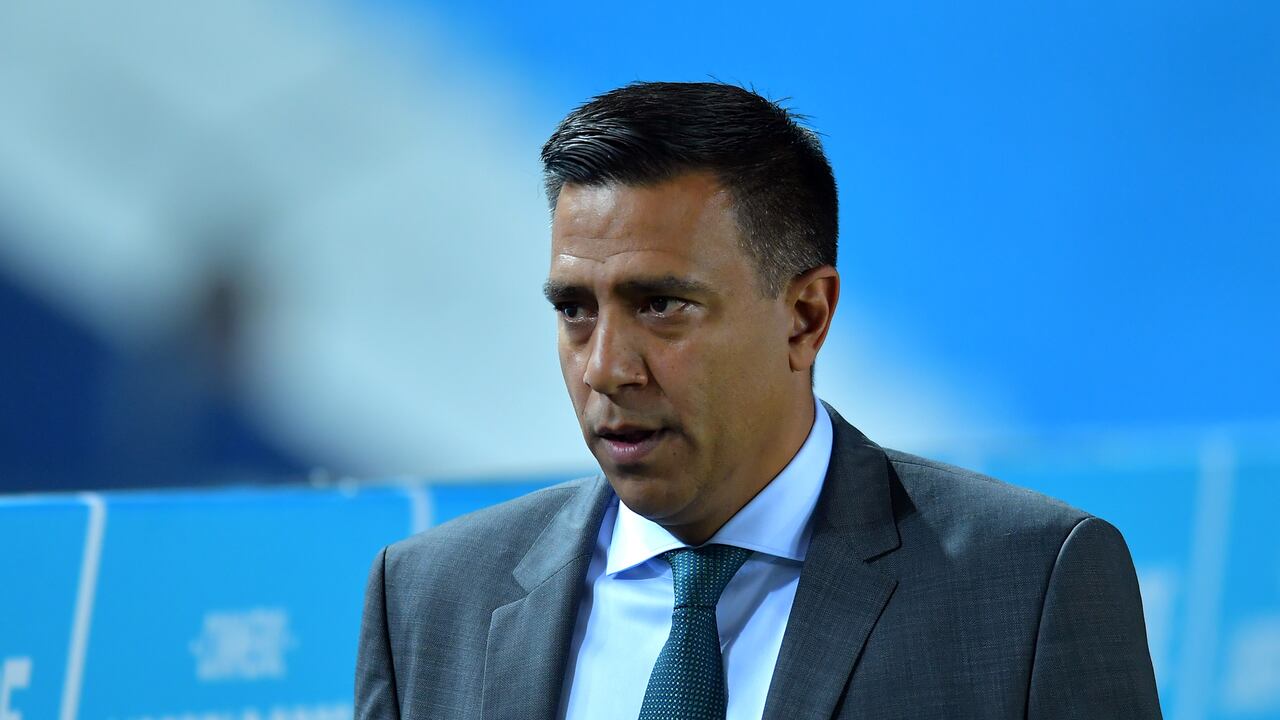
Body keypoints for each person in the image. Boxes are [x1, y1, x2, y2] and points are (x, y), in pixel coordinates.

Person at [354, 81, 1162, 719]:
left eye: (662, 305)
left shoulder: (1027, 585)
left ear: (806, 317)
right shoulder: (428, 602)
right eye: (575, 309)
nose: (605, 367)